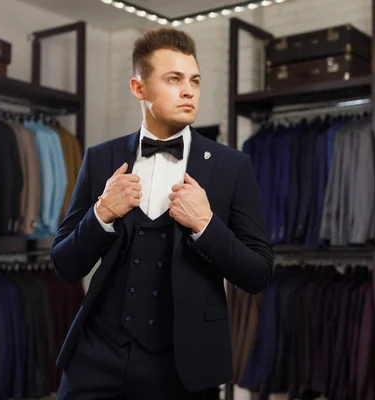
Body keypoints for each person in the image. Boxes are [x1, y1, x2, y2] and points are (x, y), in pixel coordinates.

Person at [51, 27, 273, 399]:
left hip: (184, 370)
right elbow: (64, 265)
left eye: (195, 81)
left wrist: (206, 225)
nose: (189, 90)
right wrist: (102, 213)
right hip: (96, 361)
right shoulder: (101, 158)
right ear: (139, 88)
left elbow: (258, 273)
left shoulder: (232, 166)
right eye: (174, 79)